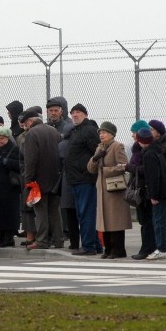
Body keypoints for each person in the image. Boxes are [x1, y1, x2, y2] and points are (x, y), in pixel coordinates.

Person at [18, 108, 63, 250]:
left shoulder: (32, 133)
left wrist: (28, 180)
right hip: (55, 178)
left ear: (31, 121)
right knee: (54, 211)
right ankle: (59, 240)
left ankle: (42, 240)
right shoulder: (53, 131)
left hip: (38, 180)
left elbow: (30, 159)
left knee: (40, 212)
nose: (26, 126)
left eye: (26, 123)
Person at [86, 121, 132, 259]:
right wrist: (95, 159)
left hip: (114, 189)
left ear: (111, 134)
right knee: (104, 221)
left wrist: (106, 170)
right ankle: (108, 249)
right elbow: (90, 169)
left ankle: (118, 250)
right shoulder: (99, 148)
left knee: (115, 220)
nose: (101, 135)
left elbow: (124, 166)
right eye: (100, 132)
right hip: (102, 190)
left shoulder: (117, 147)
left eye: (104, 132)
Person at [64, 103, 102, 255]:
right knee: (83, 213)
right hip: (76, 179)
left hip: (85, 179)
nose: (75, 115)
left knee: (86, 213)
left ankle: (88, 246)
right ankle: (95, 245)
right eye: (73, 113)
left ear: (85, 114)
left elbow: (97, 152)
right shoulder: (76, 131)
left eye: (78, 112)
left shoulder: (88, 130)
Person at [136, 127, 166, 260]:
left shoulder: (148, 154)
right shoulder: (157, 150)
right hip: (165, 190)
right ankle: (162, 247)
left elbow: (153, 177)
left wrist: (153, 195)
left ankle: (162, 248)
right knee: (160, 220)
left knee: (159, 221)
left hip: (159, 192)